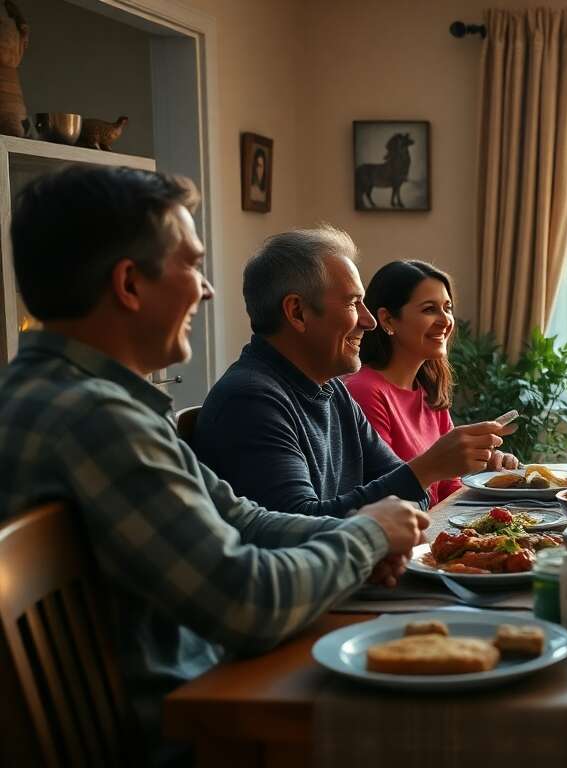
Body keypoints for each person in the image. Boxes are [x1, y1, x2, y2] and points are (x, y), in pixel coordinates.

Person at [0, 165, 429, 762]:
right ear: (129, 284)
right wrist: (365, 536)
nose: (206, 290)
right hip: (189, 737)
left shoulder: (76, 395)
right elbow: (248, 602)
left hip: (205, 703)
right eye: (192, 265)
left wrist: (361, 533)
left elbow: (241, 516)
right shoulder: (95, 419)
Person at [193, 226, 512, 517]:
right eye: (352, 303)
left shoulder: (331, 390)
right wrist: (425, 470)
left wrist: (419, 478)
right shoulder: (250, 401)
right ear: (297, 312)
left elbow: (415, 496)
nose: (369, 321)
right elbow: (298, 527)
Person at [345, 260, 514, 506]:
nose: (445, 320)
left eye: (447, 308)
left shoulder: (428, 392)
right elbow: (385, 497)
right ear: (388, 320)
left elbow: (448, 490)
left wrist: (486, 474)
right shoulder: (364, 391)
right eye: (429, 309)